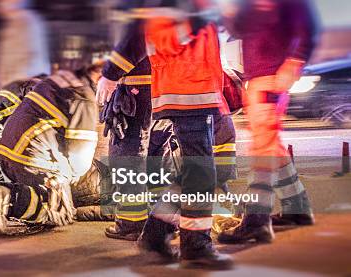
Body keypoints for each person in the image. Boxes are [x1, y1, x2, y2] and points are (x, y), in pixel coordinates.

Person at [135, 0, 234, 269]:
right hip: (186, 97)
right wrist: (199, 20)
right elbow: (163, 41)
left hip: (198, 96)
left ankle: (156, 234)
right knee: (201, 173)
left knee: (194, 174)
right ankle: (195, 245)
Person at [218, 0, 318, 244]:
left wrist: (295, 62)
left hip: (271, 78)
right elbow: (240, 29)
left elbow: (307, 26)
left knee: (263, 148)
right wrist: (230, 13)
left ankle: (257, 220)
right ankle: (297, 208)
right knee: (271, 145)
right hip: (256, 77)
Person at [0, 66, 101, 234]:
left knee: (36, 195)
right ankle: (6, 196)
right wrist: (68, 179)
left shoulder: (50, 83)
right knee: (58, 214)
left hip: (2, 153)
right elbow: (80, 156)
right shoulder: (83, 96)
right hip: (32, 160)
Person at [97, 5, 153, 241]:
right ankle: (155, 218)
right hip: (149, 85)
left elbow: (136, 37)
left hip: (137, 88)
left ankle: (132, 221)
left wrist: (110, 74)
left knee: (127, 152)